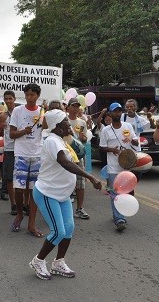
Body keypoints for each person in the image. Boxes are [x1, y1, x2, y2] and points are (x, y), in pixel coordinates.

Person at [29, 110, 102, 280]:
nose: (69, 125)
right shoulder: (52, 141)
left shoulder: (61, 140)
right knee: (58, 231)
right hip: (48, 193)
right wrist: (90, 177)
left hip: (62, 194)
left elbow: (72, 160)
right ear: (57, 127)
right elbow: (64, 162)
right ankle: (38, 261)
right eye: (66, 123)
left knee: (68, 229)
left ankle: (58, 262)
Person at [9, 83, 45, 237]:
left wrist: (48, 113)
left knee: (33, 191)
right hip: (21, 154)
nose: (29, 98)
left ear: (38, 95)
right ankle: (19, 213)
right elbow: (11, 134)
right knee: (19, 188)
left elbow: (48, 130)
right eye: (27, 95)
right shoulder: (18, 111)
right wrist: (23, 131)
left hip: (37, 155)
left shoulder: (43, 112)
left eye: (32, 95)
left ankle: (31, 224)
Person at [99, 102, 138, 232]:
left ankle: (122, 212)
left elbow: (136, 141)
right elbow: (101, 147)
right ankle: (119, 219)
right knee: (115, 193)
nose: (118, 113)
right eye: (115, 111)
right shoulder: (106, 130)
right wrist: (112, 150)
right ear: (110, 113)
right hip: (113, 167)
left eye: (120, 111)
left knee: (127, 193)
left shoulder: (128, 126)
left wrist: (132, 140)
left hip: (127, 165)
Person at [66, 98, 90, 220]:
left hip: (78, 155)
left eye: (77, 106)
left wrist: (83, 138)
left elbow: (84, 140)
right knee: (64, 181)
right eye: (73, 106)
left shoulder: (82, 123)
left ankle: (79, 208)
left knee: (80, 182)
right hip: (64, 155)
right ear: (68, 107)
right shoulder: (63, 119)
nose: (75, 108)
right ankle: (64, 208)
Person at [0, 91, 17, 215]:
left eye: (10, 98)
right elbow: (1, 134)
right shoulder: (3, 116)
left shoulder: (20, 112)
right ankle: (13, 204)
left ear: (14, 99)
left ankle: (24, 204)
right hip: (9, 149)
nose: (9, 101)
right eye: (6, 99)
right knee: (10, 178)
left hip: (22, 148)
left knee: (23, 178)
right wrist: (2, 126)